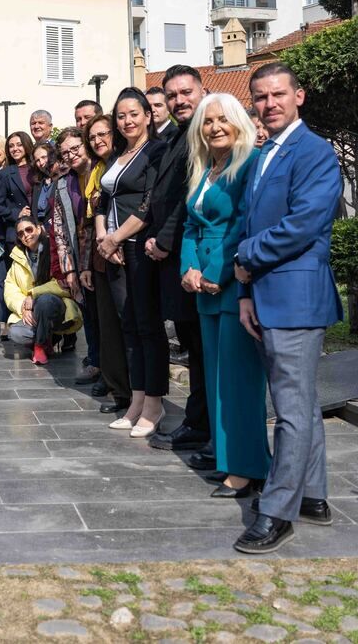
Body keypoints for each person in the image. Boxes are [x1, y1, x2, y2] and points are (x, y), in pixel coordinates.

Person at [233, 63, 342, 554]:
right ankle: (314, 495)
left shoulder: (316, 153)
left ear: (299, 96)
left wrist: (245, 259)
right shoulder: (262, 155)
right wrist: (247, 292)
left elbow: (302, 225)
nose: (269, 103)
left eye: (278, 94)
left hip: (298, 299)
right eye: (260, 97)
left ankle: (277, 511)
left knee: (291, 410)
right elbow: (251, 221)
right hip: (266, 295)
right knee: (301, 402)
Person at [179, 93, 269, 500]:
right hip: (203, 285)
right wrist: (189, 268)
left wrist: (216, 271)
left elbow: (241, 223)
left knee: (238, 381)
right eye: (207, 121)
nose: (215, 127)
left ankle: (248, 468)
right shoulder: (203, 169)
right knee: (216, 379)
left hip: (233, 282)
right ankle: (228, 459)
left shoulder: (248, 163)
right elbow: (189, 227)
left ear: (237, 122)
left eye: (222, 119)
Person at [95, 88, 168, 440]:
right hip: (114, 251)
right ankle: (136, 400)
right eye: (121, 116)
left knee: (148, 327)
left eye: (134, 114)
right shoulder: (120, 155)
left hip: (138, 248)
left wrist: (116, 237)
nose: (127, 121)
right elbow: (100, 200)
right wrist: (103, 239)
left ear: (148, 115)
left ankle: (154, 403)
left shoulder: (156, 151)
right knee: (131, 328)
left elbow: (148, 204)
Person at [146, 66, 211, 455]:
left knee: (202, 350)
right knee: (192, 345)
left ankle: (202, 425)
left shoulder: (204, 133)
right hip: (177, 260)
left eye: (185, 92)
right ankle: (198, 421)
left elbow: (191, 196)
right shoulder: (175, 136)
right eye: (171, 96)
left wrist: (165, 240)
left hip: (194, 257)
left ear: (202, 91)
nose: (178, 101)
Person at [82, 115, 130, 415]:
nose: (98, 140)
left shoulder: (122, 162)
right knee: (108, 328)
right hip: (100, 254)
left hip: (123, 252)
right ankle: (119, 391)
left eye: (103, 134)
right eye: (93, 136)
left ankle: (133, 391)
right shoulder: (97, 169)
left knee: (127, 326)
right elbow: (92, 216)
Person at [5, 216, 82, 365]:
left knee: (44, 301)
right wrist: (22, 307)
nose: (26, 235)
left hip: (58, 308)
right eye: (21, 233)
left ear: (38, 228)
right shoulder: (18, 257)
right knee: (15, 334)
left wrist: (34, 294)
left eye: (29, 229)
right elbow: (10, 289)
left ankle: (40, 345)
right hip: (33, 313)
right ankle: (48, 336)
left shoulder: (53, 249)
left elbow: (63, 283)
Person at [55, 127, 99, 381]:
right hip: (77, 254)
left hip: (101, 254)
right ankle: (95, 361)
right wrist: (68, 268)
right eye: (65, 153)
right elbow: (59, 229)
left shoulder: (101, 171)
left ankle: (112, 369)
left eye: (75, 148)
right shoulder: (64, 182)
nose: (71, 155)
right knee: (88, 312)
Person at [0, 131, 33, 340]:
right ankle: (15, 321)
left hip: (40, 231)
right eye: (12, 146)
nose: (15, 148)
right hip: (15, 234)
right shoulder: (6, 173)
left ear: (27, 145)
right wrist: (17, 214)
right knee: (17, 280)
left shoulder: (38, 167)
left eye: (19, 144)